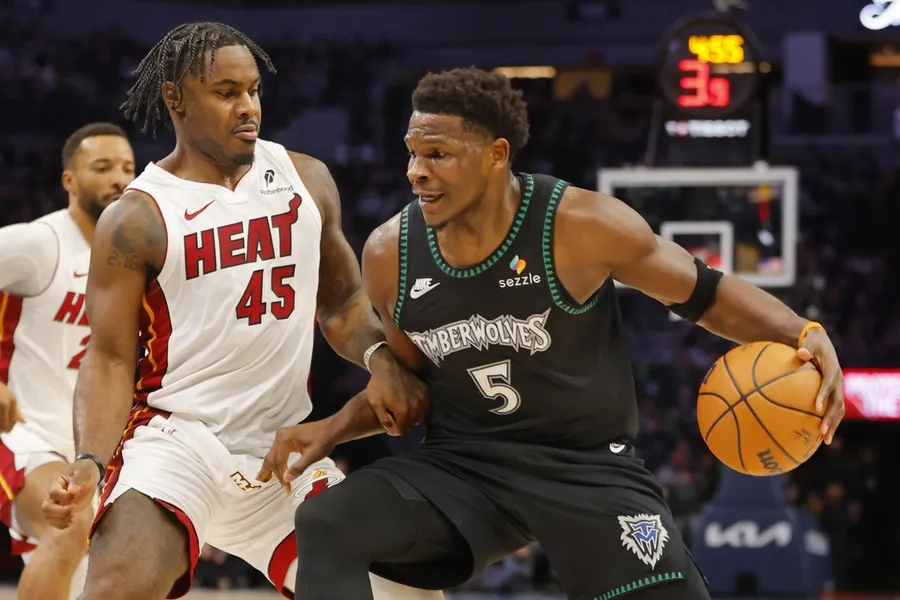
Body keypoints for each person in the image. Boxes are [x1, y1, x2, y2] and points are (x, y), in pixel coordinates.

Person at [262, 67, 847, 600]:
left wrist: (802, 331)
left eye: (437, 154)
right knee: (328, 521)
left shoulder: (579, 225)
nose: (416, 171)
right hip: (462, 469)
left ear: (495, 155)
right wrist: (331, 429)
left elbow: (705, 293)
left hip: (587, 469)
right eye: (413, 153)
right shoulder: (391, 253)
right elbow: (407, 390)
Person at [39, 22, 440, 600]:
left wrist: (379, 358)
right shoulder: (137, 218)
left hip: (285, 448)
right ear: (176, 98)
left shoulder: (306, 180)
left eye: (253, 90)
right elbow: (108, 359)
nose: (248, 107)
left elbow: (343, 304)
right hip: (178, 444)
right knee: (119, 588)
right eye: (226, 93)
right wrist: (89, 461)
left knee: (410, 588)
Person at [0, 122, 135, 600]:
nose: (118, 179)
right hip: (23, 432)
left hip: (95, 448)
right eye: (102, 167)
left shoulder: (138, 259)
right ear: (69, 180)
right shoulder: (41, 244)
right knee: (70, 527)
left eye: (127, 168)